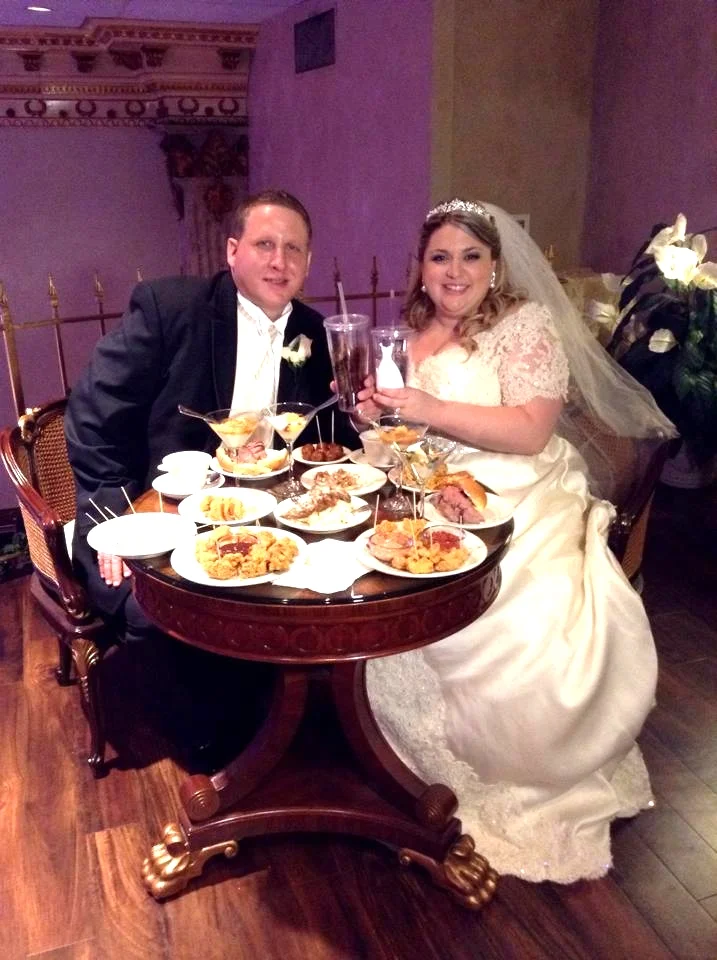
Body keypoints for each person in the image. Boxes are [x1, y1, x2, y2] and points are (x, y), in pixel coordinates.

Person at [357, 199, 677, 883]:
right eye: (439, 256)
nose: (454, 270)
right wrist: (373, 425)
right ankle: (386, 757)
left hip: (519, 492)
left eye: (470, 256)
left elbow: (532, 431)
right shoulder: (404, 337)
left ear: (495, 264)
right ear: (420, 267)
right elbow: (397, 445)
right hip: (429, 489)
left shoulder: (524, 325)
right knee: (372, 586)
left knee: (517, 617)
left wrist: (428, 408)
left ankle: (516, 768)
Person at [65, 188, 355, 763]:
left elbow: (332, 438)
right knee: (160, 613)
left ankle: (283, 719)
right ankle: (216, 746)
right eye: (265, 245)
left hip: (266, 513)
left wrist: (358, 414)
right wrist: (118, 521)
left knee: (320, 591)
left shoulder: (317, 332)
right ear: (232, 251)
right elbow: (91, 416)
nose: (279, 261)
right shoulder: (170, 307)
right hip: (157, 508)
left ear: (309, 263)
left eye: (293, 249)